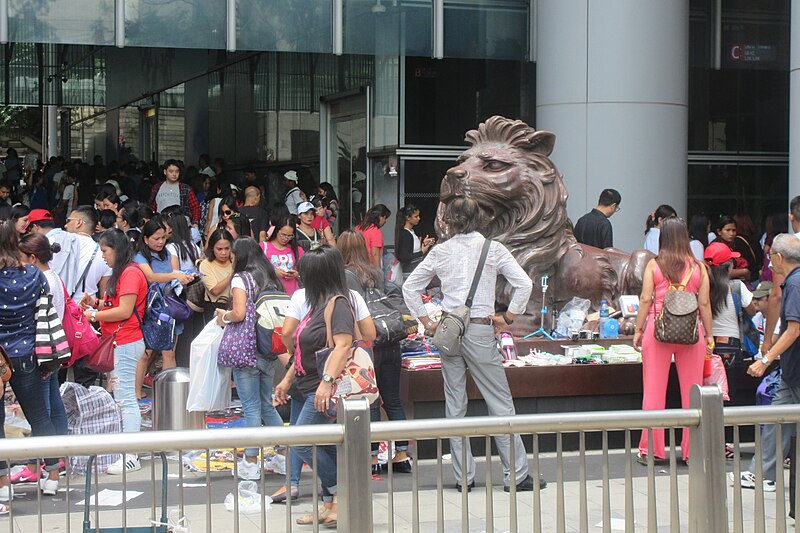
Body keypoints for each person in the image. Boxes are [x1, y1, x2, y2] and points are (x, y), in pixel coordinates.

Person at [402, 197, 542, 493]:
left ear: (450, 222)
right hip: (480, 329)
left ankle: (463, 478)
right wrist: (509, 316)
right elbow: (524, 283)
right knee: (500, 402)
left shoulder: (441, 251)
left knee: (455, 404)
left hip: (450, 331)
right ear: (480, 219)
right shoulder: (493, 249)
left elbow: (410, 287)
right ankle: (515, 476)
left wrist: (427, 323)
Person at [271, 258, 376, 505]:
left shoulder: (337, 304)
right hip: (309, 384)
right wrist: (288, 379)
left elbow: (343, 345)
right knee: (321, 443)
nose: (300, 278)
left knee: (301, 440)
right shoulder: (314, 303)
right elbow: (301, 349)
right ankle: (333, 502)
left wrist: (326, 382)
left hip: (321, 388)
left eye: (305, 274)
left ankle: (341, 493)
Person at [632, 217, 714, 464]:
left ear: (664, 238)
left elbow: (646, 299)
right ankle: (692, 452)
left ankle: (652, 451)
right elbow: (705, 303)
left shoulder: (654, 265)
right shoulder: (699, 268)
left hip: (658, 332)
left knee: (654, 393)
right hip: (692, 332)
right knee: (693, 393)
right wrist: (709, 335)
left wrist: (637, 329)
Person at [730, 233, 800, 492]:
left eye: (771, 258)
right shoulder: (793, 282)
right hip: (791, 369)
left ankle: (764, 473)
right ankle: (763, 473)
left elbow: (794, 330)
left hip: (795, 368)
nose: (769, 264)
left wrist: (766, 358)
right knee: (775, 418)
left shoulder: (794, 284)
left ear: (780, 258)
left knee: (777, 418)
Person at [338, 230, 412, 474]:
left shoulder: (345, 276)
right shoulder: (376, 272)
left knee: (370, 400)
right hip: (391, 341)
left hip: (368, 345)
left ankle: (372, 459)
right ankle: (401, 454)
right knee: (392, 399)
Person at [0, 221, 62, 506]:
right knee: (39, 416)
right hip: (28, 353)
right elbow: (43, 311)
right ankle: (52, 475)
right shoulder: (34, 274)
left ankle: (2, 484)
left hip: (0, 357)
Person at [215, 238, 285, 480]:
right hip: (268, 348)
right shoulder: (270, 276)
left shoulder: (240, 278)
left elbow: (239, 313)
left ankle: (251, 461)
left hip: (246, 350)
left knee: (252, 407)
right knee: (267, 404)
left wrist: (223, 317)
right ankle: (284, 455)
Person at [78, 229, 147, 474]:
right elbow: (115, 305)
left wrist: (93, 315)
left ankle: (131, 456)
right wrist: (96, 303)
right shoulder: (125, 272)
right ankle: (127, 452)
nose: (103, 257)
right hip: (120, 341)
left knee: (126, 397)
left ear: (116, 249)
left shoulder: (129, 273)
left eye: (105, 251)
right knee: (122, 397)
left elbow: (124, 311)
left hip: (126, 342)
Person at [12, 233, 68, 485]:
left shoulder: (38, 278)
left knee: (41, 411)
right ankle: (57, 462)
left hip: (39, 351)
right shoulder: (53, 277)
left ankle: (38, 464)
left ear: (33, 257)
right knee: (52, 408)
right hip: (51, 350)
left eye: (22, 258)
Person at [133, 218, 196, 397]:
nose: (161, 242)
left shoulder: (168, 254)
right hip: (151, 309)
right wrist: (174, 275)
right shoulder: (140, 256)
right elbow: (151, 277)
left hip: (170, 307)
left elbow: (176, 275)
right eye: (156, 238)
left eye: (163, 238)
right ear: (145, 239)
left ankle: (171, 395)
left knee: (169, 352)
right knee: (146, 352)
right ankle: (136, 393)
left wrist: (186, 277)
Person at [704, 241, 755, 401]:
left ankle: (709, 426)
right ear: (728, 267)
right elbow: (752, 310)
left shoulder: (701, 288)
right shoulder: (737, 287)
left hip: (707, 348)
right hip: (731, 347)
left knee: (707, 397)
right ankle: (726, 426)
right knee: (730, 396)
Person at [148, 159, 201, 224]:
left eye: (177, 171)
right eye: (171, 171)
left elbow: (195, 207)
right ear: (165, 172)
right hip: (161, 225)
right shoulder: (157, 187)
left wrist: (195, 223)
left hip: (180, 225)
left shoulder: (186, 189)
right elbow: (152, 207)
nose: (174, 174)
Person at [261, 215, 303, 295]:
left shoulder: (297, 250)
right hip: (270, 294)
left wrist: (297, 275)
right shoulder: (263, 247)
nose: (285, 238)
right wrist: (273, 273)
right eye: (283, 234)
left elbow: (306, 271)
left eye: (289, 236)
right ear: (276, 231)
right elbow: (256, 270)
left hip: (292, 294)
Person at [712, 216, 758, 282]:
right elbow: (718, 272)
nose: (731, 234)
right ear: (719, 231)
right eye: (727, 230)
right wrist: (744, 272)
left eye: (734, 230)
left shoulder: (733, 244)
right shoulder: (715, 247)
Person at [394, 204, 435, 277]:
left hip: (414, 270)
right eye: (416, 216)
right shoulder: (405, 234)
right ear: (408, 218)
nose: (419, 218)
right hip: (410, 272)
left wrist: (424, 244)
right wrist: (421, 252)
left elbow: (412, 250)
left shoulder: (411, 232)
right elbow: (404, 256)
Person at [356, 204, 391, 269]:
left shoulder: (357, 228)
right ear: (380, 217)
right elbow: (375, 255)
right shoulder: (375, 231)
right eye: (385, 218)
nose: (385, 221)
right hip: (369, 270)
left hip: (355, 268)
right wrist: (378, 275)